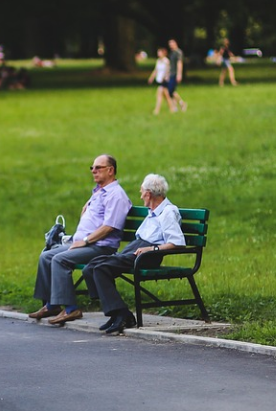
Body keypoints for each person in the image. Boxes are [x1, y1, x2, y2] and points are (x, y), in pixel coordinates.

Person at [29, 154, 132, 325]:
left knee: (60, 259)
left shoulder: (116, 195)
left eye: (98, 167)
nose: (93, 171)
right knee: (46, 256)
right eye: (92, 167)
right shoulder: (99, 192)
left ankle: (71, 309)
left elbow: (109, 227)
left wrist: (85, 241)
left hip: (100, 247)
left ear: (110, 170)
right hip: (86, 243)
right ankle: (52, 304)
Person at [82, 174, 185, 334]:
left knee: (102, 268)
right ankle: (116, 312)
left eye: (142, 191)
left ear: (149, 194)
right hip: (136, 249)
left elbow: (177, 242)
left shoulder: (167, 212)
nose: (141, 195)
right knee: (91, 267)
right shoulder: (153, 211)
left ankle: (122, 314)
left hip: (148, 255)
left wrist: (151, 249)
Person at [147, 48, 175, 115]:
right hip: (160, 80)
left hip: (164, 80)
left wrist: (165, 77)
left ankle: (157, 110)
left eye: (159, 52)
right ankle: (172, 108)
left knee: (159, 95)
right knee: (166, 96)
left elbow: (168, 70)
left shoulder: (166, 61)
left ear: (163, 53)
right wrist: (151, 78)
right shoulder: (158, 61)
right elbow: (156, 70)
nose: (158, 54)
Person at [167, 39, 188, 112]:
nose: (171, 45)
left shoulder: (178, 52)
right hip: (171, 73)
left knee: (170, 91)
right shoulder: (172, 53)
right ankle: (175, 107)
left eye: (172, 43)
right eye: (170, 44)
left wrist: (179, 74)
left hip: (175, 74)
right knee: (172, 91)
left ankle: (182, 103)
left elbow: (179, 63)